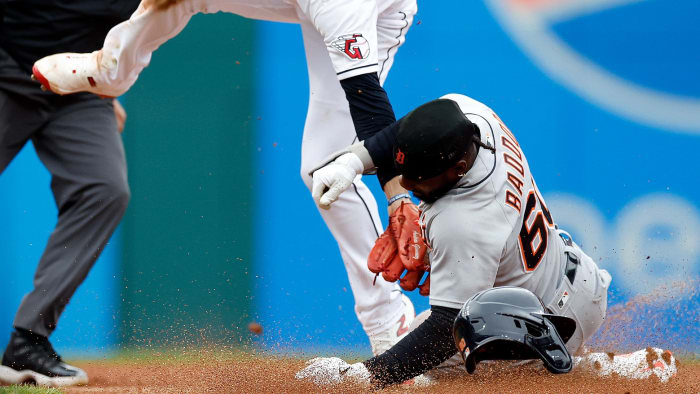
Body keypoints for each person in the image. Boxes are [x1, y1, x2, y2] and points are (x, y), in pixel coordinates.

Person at [30, 0, 420, 355]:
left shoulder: (343, 8)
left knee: (324, 167)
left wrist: (397, 195)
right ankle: (109, 70)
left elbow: (367, 104)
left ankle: (390, 324)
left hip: (372, 15)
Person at [297, 93, 613, 387]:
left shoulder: (465, 221)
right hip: (573, 276)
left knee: (418, 375)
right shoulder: (472, 115)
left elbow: (446, 330)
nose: (405, 183)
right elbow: (408, 132)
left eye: (417, 179)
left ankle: (612, 372)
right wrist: (354, 162)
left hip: (550, 327)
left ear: (459, 169)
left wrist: (364, 378)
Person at [0, 0, 139, 387]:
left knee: (105, 190)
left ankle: (28, 341)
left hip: (78, 87)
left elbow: (143, 28)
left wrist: (109, 85)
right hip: (8, 68)